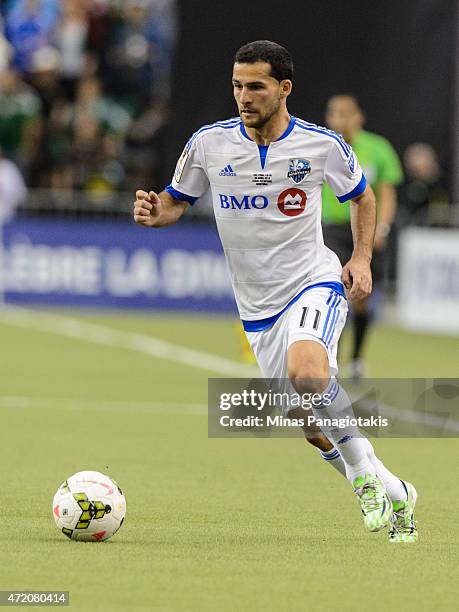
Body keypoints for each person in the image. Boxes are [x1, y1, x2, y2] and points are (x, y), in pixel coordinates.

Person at [133, 40, 417, 543]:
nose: (244, 96)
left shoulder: (321, 145)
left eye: (256, 86)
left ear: (284, 89)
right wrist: (158, 213)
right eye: (238, 86)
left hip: (313, 280)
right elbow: (176, 201)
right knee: (308, 424)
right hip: (257, 307)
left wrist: (361, 257)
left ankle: (362, 480)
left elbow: (363, 196)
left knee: (308, 373)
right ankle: (394, 487)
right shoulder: (208, 144)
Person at [322, 94, 403, 380]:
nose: (340, 119)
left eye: (346, 113)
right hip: (332, 228)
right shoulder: (323, 147)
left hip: (366, 230)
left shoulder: (377, 149)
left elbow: (388, 192)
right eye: (335, 114)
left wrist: (381, 228)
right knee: (334, 293)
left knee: (360, 299)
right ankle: (330, 360)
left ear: (359, 116)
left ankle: (356, 359)